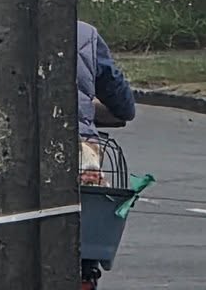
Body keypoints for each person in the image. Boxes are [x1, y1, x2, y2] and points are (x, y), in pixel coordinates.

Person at [77, 20, 136, 287]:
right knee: (86, 212)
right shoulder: (84, 34)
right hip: (79, 146)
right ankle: (84, 272)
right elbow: (121, 102)